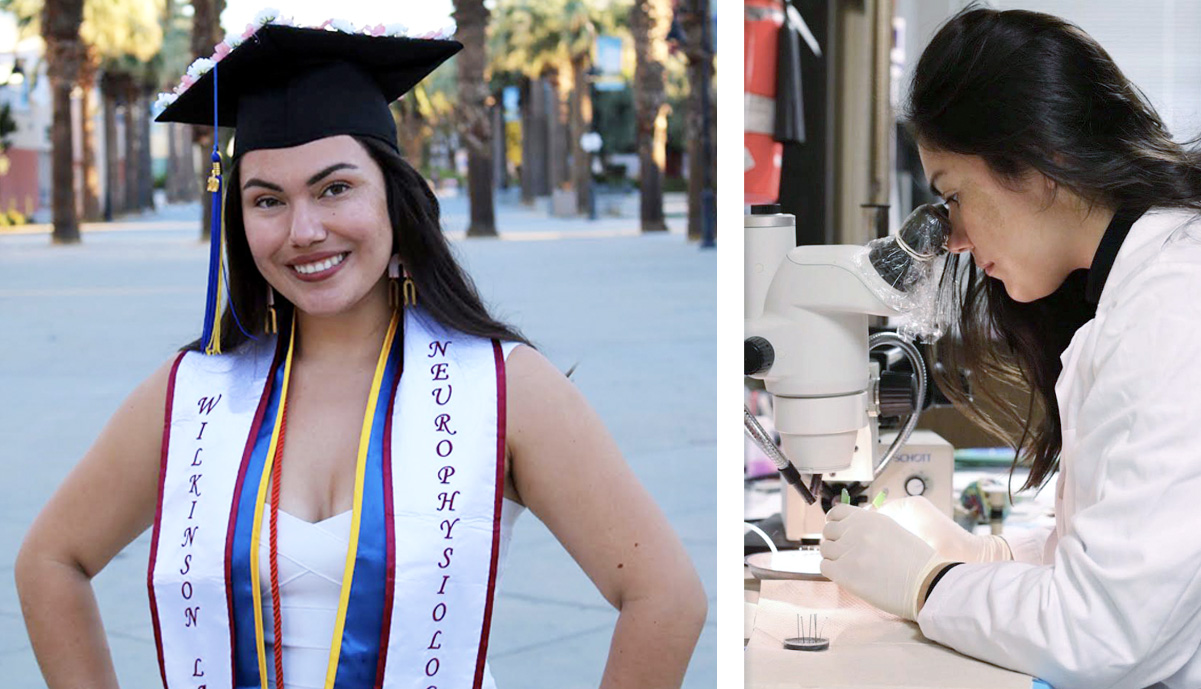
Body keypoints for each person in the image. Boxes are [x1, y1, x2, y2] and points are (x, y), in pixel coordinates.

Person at [13, 18, 706, 689]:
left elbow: (663, 595)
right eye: (267, 200)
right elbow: (49, 560)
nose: (304, 229)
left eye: (334, 188)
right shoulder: (193, 393)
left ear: (393, 199)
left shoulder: (499, 388)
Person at [818, 7, 1201, 689]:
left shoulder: (1173, 308)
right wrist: (988, 552)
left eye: (952, 197)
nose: (954, 239)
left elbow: (1106, 631)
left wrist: (929, 584)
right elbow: (1129, 549)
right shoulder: (1136, 292)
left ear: (1036, 163)